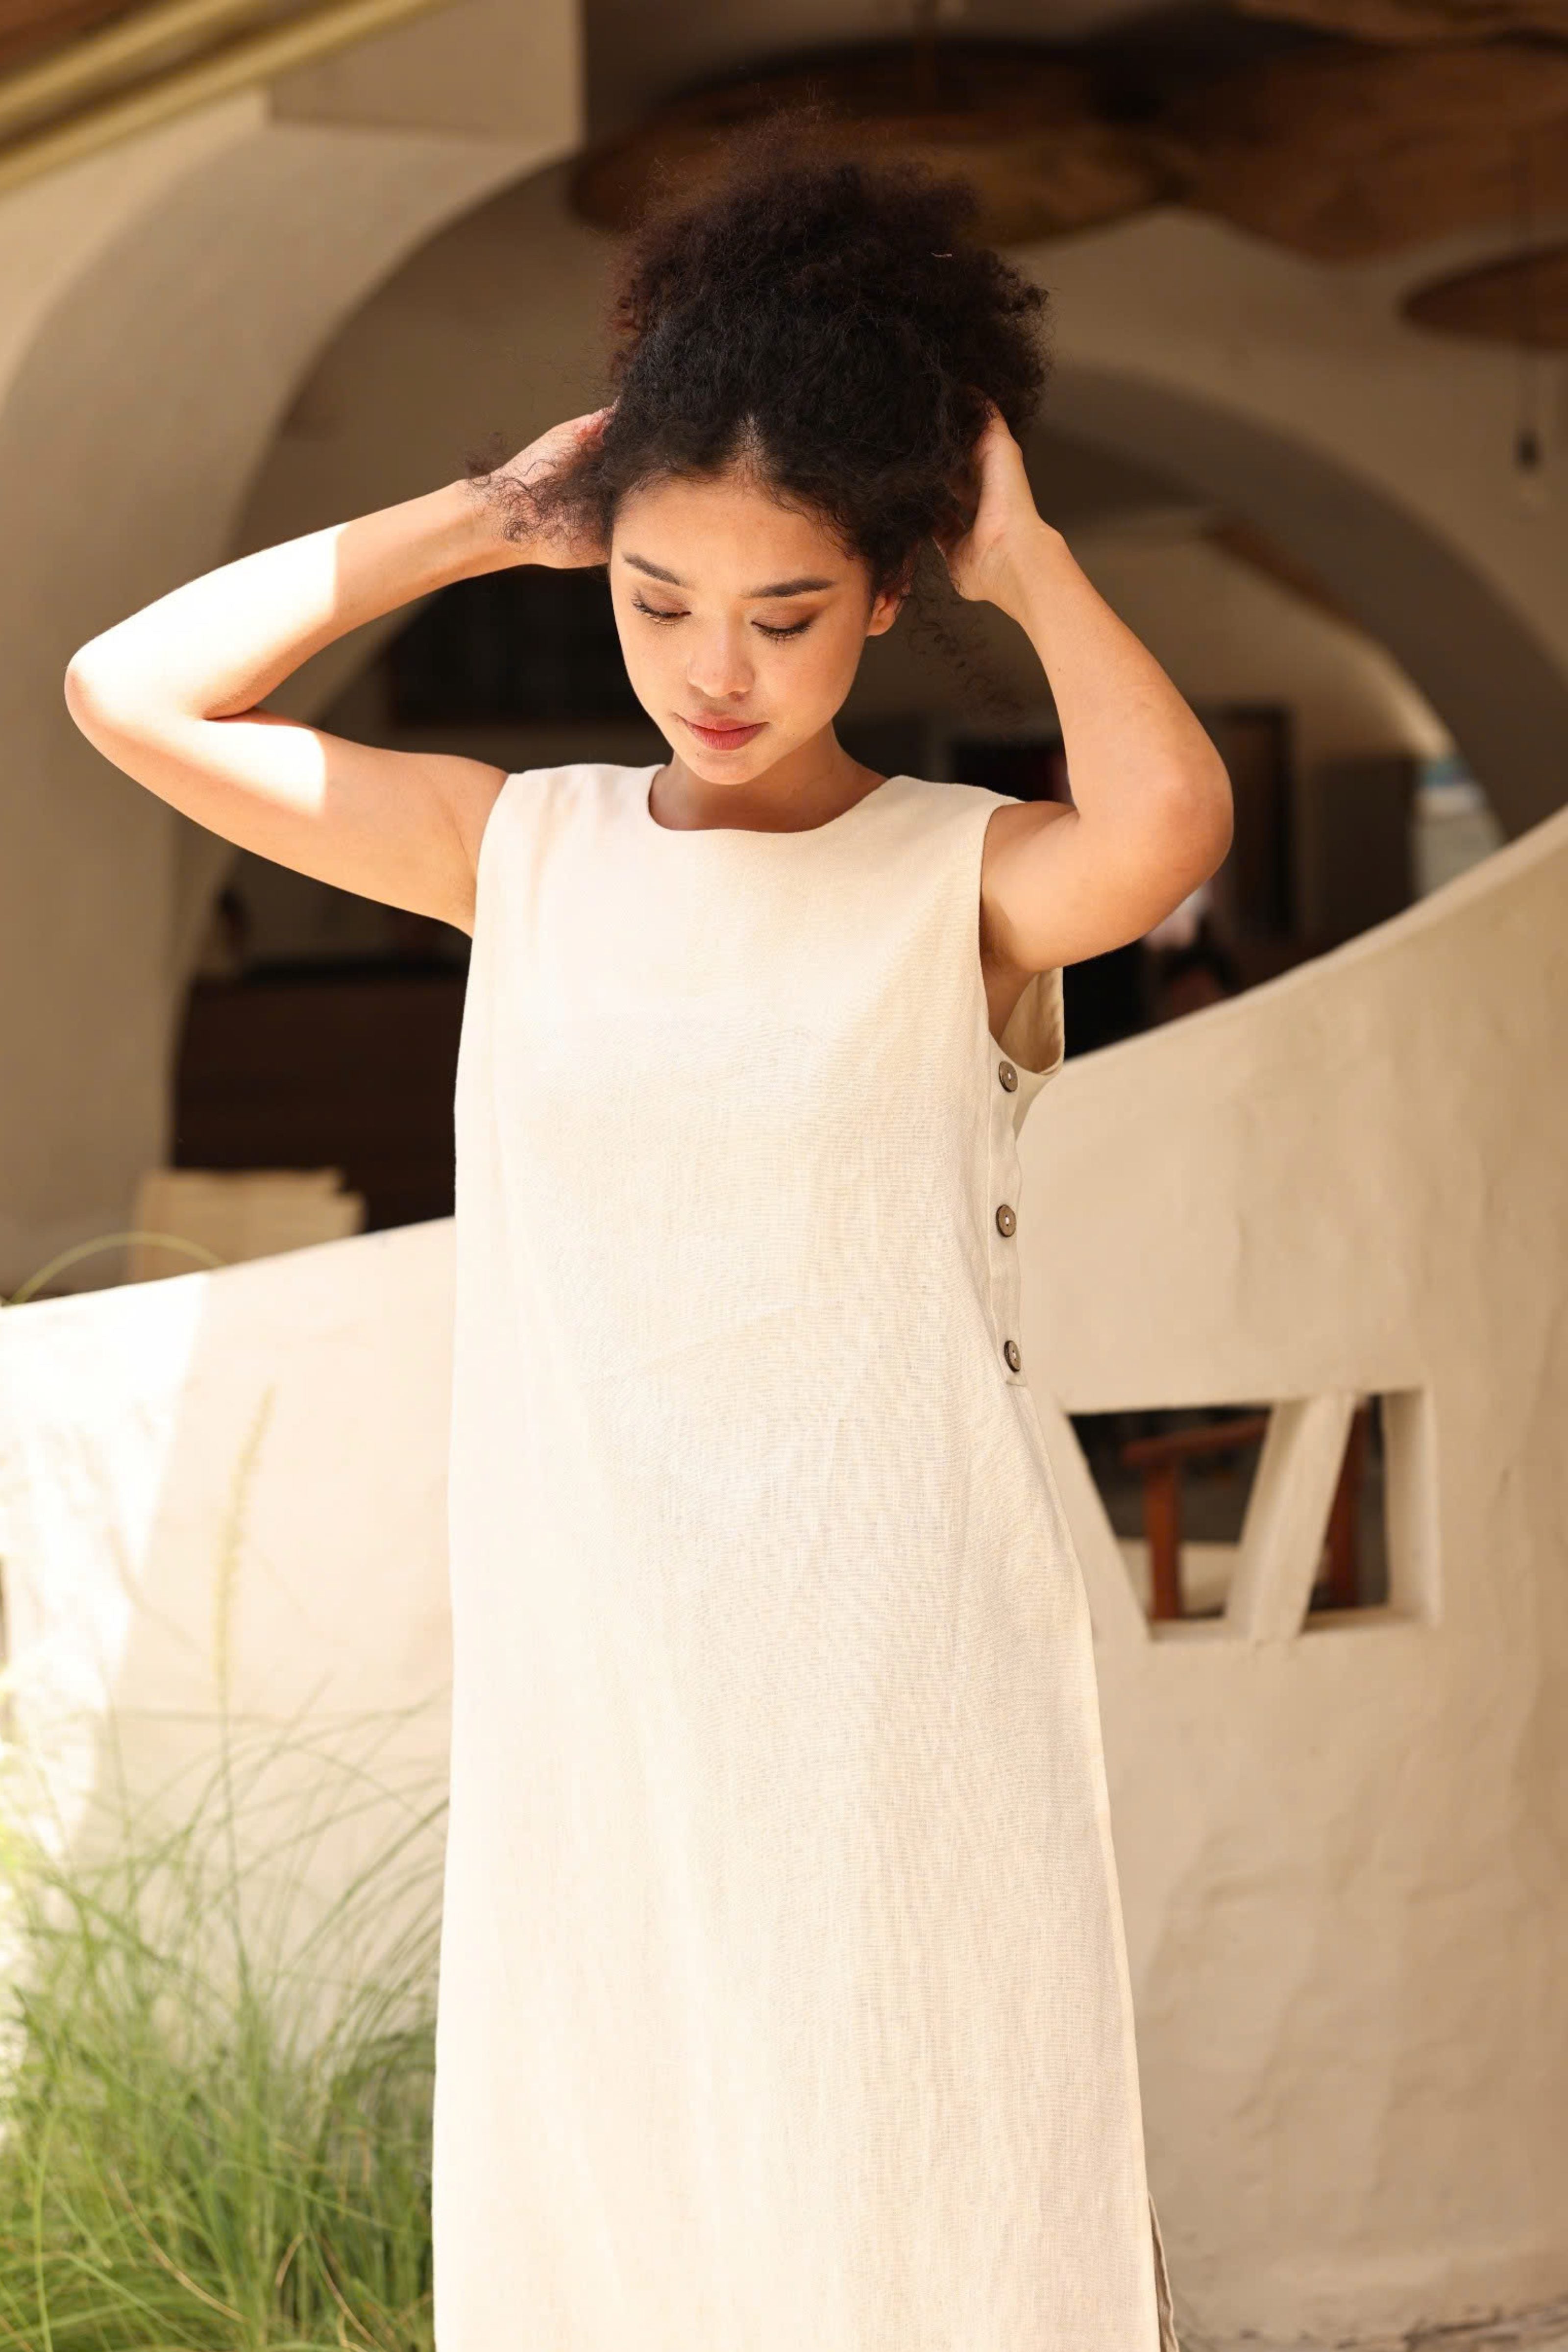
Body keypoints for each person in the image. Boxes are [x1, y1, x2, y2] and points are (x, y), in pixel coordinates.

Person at [64, 131, 1229, 2352]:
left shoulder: (954, 877)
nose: (711, 666)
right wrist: (492, 513)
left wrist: (1032, 554)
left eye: (785, 613)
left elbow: (1170, 823)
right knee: (627, 2157)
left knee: (910, 2146)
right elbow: (129, 695)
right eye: (653, 598)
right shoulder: (527, 852)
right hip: (600, 1635)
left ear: (884, 594)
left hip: (893, 1646)